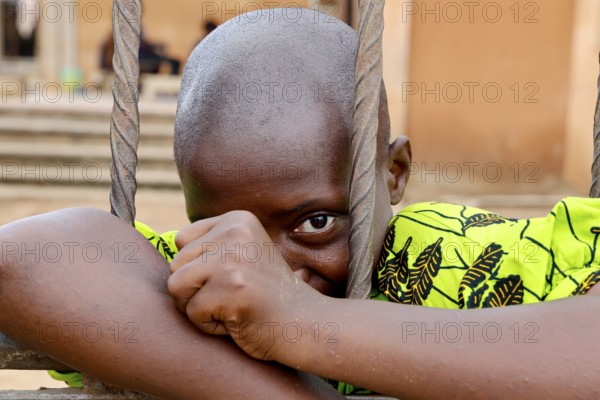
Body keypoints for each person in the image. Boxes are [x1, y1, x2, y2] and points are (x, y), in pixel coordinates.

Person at [0, 7, 599, 399]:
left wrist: (300, 324)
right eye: (222, 225)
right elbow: (22, 262)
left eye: (316, 223)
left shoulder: (479, 255)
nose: (266, 268)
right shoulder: (209, 282)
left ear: (393, 175)